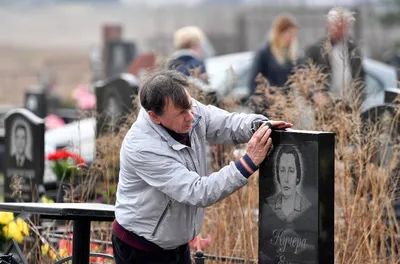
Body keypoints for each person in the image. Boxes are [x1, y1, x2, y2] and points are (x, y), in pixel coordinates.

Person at [112, 69, 293, 264]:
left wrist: (257, 126)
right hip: (141, 249)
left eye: (190, 106)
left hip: (175, 245)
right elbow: (197, 191)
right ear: (155, 117)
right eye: (181, 113)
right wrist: (248, 163)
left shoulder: (186, 108)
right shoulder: (142, 147)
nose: (191, 116)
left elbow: (226, 123)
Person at [304, 7, 365, 107]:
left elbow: (361, 78)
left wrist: (359, 99)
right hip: (326, 107)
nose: (341, 30)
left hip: (350, 106)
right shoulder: (317, 49)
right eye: (338, 26)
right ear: (329, 26)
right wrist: (314, 93)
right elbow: (305, 75)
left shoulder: (354, 50)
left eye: (344, 26)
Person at [249, 14, 298, 95]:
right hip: (268, 103)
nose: (292, 38)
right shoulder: (263, 54)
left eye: (294, 34)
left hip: (286, 104)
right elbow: (254, 84)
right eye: (289, 34)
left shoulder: (292, 57)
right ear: (279, 33)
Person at [266, 145, 310, 223]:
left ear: (298, 175)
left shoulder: (307, 207)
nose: (286, 179)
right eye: (282, 170)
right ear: (277, 173)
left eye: (291, 171)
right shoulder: (269, 204)